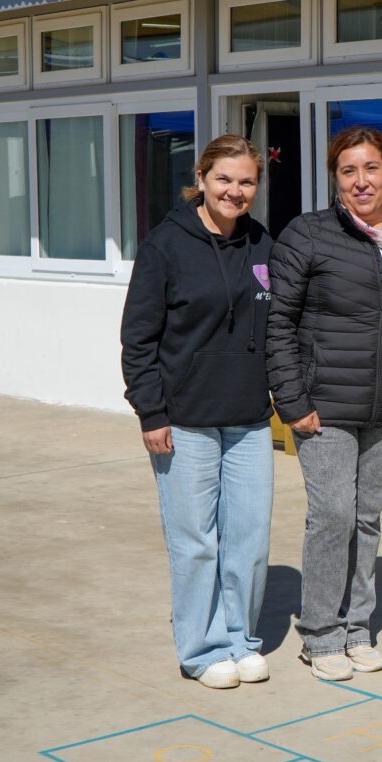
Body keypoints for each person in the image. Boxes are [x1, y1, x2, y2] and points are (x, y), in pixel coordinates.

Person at [267, 126, 382, 682]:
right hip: (323, 405)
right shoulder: (308, 234)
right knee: (332, 516)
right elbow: (279, 322)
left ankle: (357, 627)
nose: (361, 181)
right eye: (348, 171)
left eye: (371, 169)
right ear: (335, 179)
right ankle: (320, 633)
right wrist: (292, 399)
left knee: (367, 517)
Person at [121, 135, 275, 689]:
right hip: (184, 419)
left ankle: (241, 639)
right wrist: (151, 412)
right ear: (202, 179)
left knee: (250, 539)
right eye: (224, 179)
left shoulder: (262, 243)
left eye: (246, 181)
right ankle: (202, 649)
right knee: (196, 541)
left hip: (249, 417)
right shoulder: (165, 245)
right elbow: (138, 338)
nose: (235, 191)